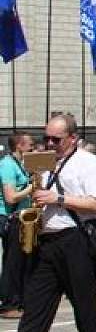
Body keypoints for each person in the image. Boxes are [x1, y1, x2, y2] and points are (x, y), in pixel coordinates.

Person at [0, 114, 96, 332]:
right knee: (35, 306)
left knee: (83, 303)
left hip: (76, 240)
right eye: (45, 138)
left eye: (55, 139)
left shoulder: (88, 163)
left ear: (72, 138)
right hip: (47, 241)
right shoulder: (46, 162)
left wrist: (58, 199)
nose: (49, 143)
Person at [0, 134, 34, 317]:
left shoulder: (20, 164)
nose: (33, 148)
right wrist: (32, 187)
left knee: (23, 260)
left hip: (22, 217)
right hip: (10, 218)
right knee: (13, 261)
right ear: (19, 146)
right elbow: (10, 197)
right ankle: (8, 304)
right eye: (30, 145)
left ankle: (21, 299)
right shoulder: (7, 165)